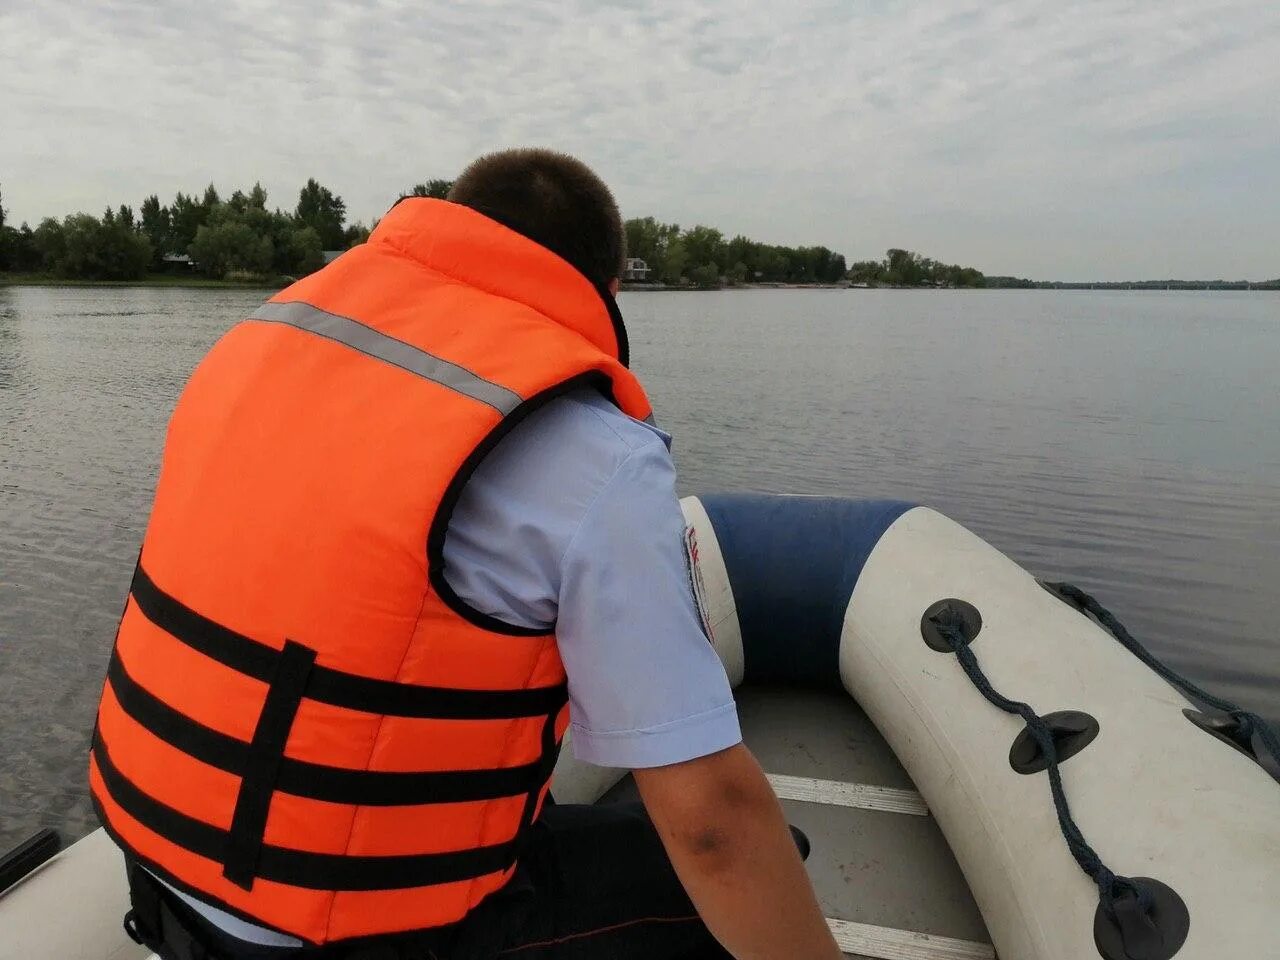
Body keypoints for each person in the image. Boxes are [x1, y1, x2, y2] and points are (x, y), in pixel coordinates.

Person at [89, 148, 842, 960]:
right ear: (608, 288)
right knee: (768, 866)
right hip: (357, 937)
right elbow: (712, 830)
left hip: (158, 874)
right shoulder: (597, 455)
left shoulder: (255, 345)